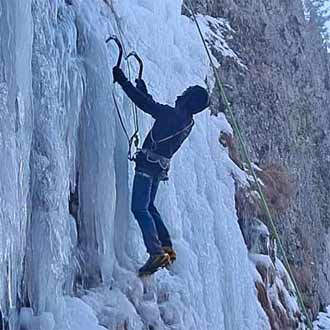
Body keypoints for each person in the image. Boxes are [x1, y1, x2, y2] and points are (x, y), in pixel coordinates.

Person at [113, 66, 210, 276]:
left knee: (139, 208)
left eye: (184, 94)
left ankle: (156, 252)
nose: (179, 95)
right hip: (160, 167)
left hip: (147, 166)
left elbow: (147, 106)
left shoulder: (172, 115)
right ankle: (166, 246)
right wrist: (143, 89)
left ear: (187, 101)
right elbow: (152, 105)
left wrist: (123, 81)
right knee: (149, 206)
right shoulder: (186, 121)